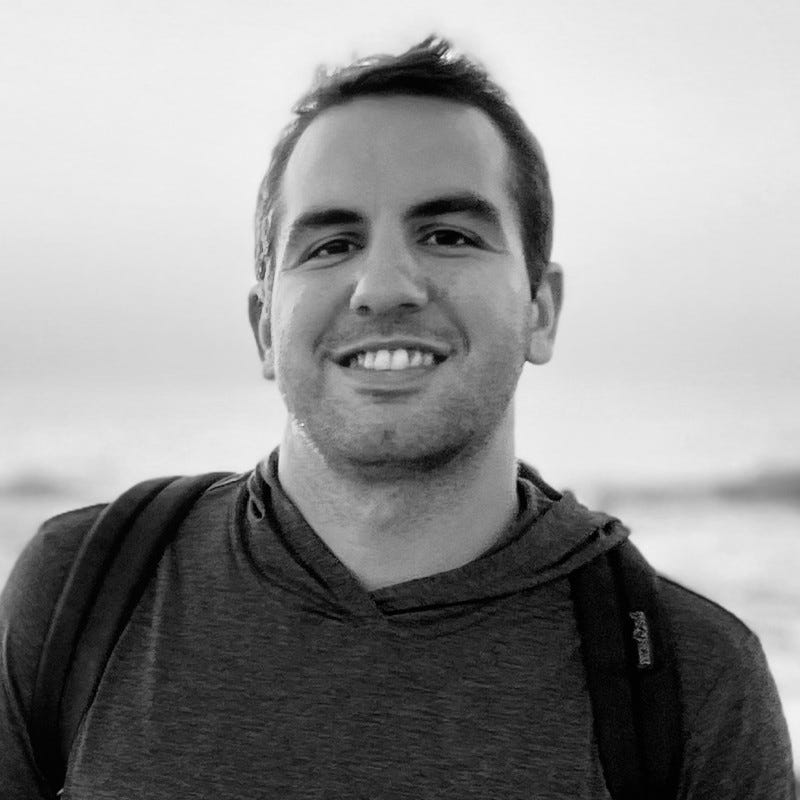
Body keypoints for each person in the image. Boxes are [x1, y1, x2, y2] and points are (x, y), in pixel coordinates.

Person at [1, 35, 795, 800]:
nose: (383, 286)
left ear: (541, 309)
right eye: (331, 244)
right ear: (264, 328)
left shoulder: (692, 679)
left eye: (448, 234)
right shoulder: (77, 593)